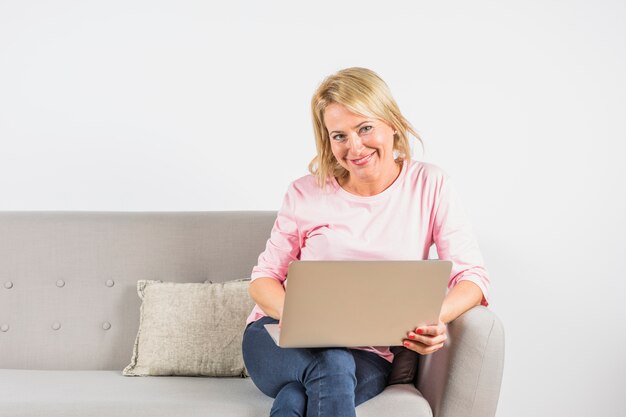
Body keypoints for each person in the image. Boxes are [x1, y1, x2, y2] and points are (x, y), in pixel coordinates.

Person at [242, 67, 491, 417]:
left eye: (365, 128)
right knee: (331, 361)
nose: (354, 147)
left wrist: (435, 318)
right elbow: (263, 279)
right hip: (278, 341)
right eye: (339, 136)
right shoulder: (305, 192)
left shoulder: (430, 185)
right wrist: (303, 321)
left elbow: (472, 277)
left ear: (392, 123)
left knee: (300, 397)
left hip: (370, 355)